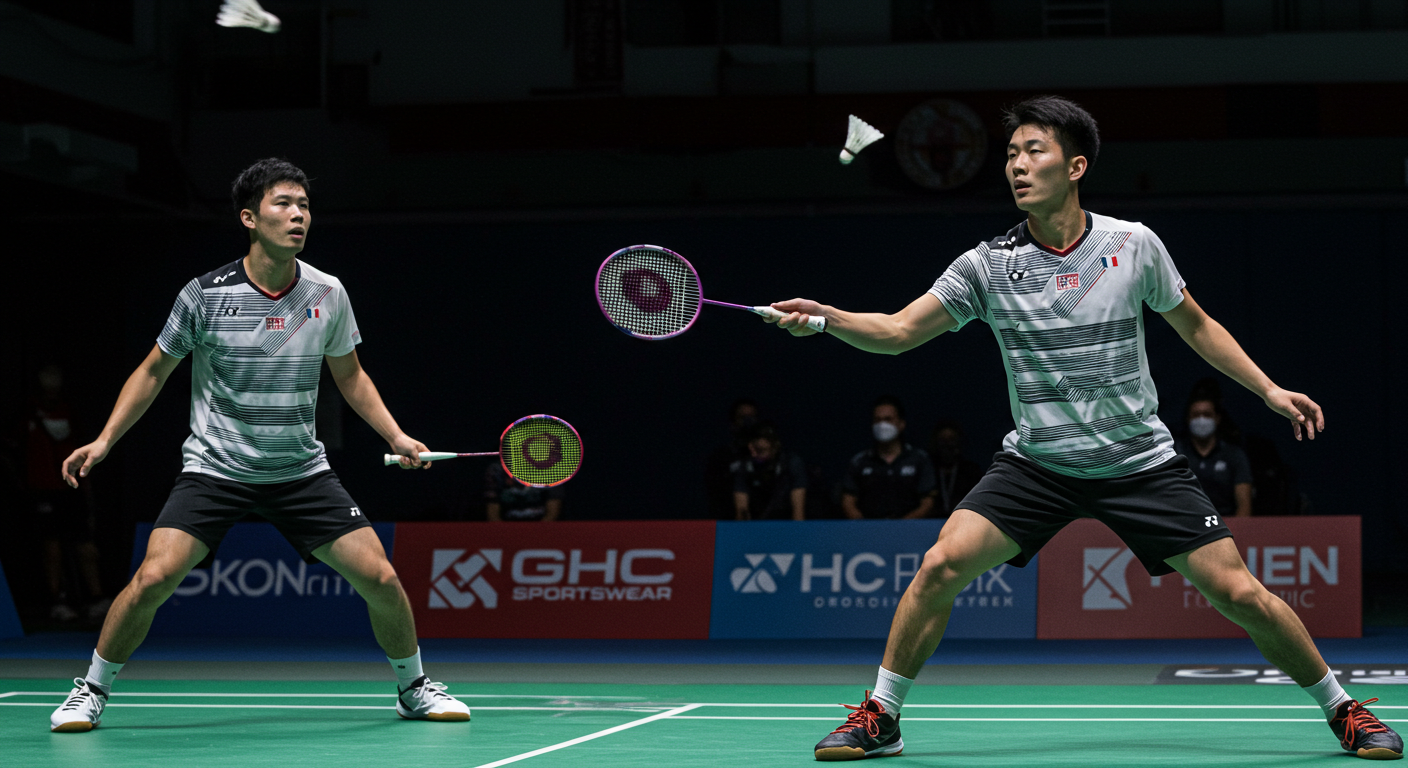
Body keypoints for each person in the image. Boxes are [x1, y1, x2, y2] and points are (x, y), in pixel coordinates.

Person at [766, 96, 1399, 761]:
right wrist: (829, 318)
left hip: (1139, 460)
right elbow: (897, 333)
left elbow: (1198, 326)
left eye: (1032, 151)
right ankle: (882, 716)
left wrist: (1267, 389)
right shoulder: (985, 266)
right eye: (1010, 154)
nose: (1016, 165)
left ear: (1075, 166)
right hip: (1038, 463)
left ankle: (1342, 709)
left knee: (1239, 592)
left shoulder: (1133, 245)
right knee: (942, 564)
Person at [48, 158, 470, 733]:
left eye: (304, 206)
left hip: (300, 469)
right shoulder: (202, 296)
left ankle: (413, 686)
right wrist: (103, 440)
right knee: (151, 579)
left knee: (381, 579)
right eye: (283, 204)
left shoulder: (327, 291)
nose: (298, 215)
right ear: (249, 218)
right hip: (215, 468)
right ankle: (91, 689)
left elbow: (350, 375)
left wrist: (395, 435)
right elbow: (152, 372)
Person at [24, 365, 109, 623]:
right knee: (51, 547)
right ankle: (57, 602)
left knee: (86, 545)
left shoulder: (71, 411)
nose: (52, 385)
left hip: (73, 488)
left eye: (56, 380)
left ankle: (97, 600)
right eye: (46, 380)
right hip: (43, 491)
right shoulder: (26, 413)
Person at [840, 396, 936, 520]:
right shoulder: (859, 462)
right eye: (877, 420)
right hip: (869, 532)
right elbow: (848, 501)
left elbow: (928, 502)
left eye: (888, 419)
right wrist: (865, 527)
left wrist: (901, 527)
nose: (882, 425)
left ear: (901, 424)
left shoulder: (919, 459)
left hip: (910, 530)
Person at [1176, 396, 1253, 518]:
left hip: (1226, 525)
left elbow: (1244, 506)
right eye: (1196, 415)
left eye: (1207, 414)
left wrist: (1235, 533)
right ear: (1188, 419)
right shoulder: (1175, 454)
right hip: (1186, 524)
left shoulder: (1234, 455)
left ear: (1217, 418)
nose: (1201, 419)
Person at [732, 422, 807, 520]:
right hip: (757, 526)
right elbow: (742, 512)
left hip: (786, 524)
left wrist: (797, 533)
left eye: (760, 450)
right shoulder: (744, 466)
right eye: (750, 447)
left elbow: (798, 513)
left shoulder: (791, 463)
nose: (753, 454)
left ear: (774, 445)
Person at [705, 398, 759, 519]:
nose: (748, 422)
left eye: (752, 417)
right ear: (733, 424)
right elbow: (714, 497)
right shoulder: (721, 457)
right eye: (742, 417)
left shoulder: (770, 455)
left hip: (765, 525)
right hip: (730, 524)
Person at [929, 419, 983, 517]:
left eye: (951, 440)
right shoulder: (929, 470)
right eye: (943, 440)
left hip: (963, 521)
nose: (947, 445)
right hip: (930, 523)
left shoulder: (971, 471)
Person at [485, 462, 563, 521]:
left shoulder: (550, 470)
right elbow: (493, 513)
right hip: (506, 528)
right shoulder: (497, 470)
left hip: (542, 528)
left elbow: (553, 512)